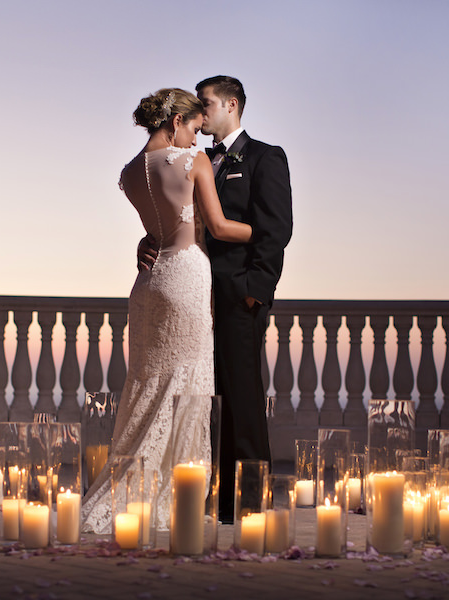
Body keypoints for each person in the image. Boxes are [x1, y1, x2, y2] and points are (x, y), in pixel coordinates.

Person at [80, 88, 252, 534]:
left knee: (145, 383)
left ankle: (127, 489)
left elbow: (157, 224)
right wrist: (264, 230)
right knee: (188, 383)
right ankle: (178, 495)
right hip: (187, 276)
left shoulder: (129, 172)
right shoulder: (189, 163)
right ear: (175, 121)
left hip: (148, 283)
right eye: (194, 129)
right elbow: (215, 226)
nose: (197, 141)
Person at [140, 76, 293, 522]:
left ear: (232, 104)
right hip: (194, 297)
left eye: (206, 105)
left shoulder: (266, 157)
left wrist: (254, 293)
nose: (201, 116)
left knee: (242, 400)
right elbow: (179, 218)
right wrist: (147, 243)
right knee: (210, 399)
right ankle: (220, 501)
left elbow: (276, 230)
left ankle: (250, 506)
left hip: (237, 297)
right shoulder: (197, 159)